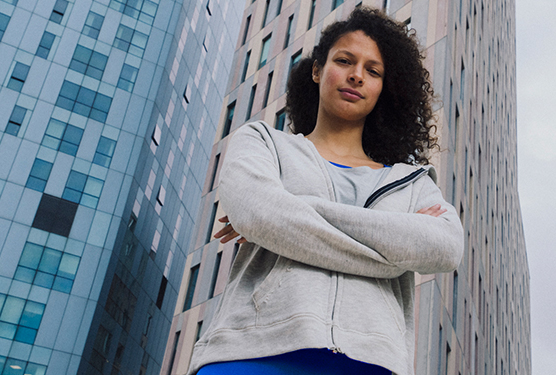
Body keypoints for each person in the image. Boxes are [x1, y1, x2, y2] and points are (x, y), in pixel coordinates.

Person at [187, 6, 465, 375]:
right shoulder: (263, 142)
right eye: (345, 60)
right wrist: (393, 243)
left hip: (368, 362)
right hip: (250, 353)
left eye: (373, 70)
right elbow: (257, 213)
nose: (356, 76)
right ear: (317, 70)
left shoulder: (411, 180)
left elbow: (445, 247)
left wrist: (289, 217)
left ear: (384, 88)